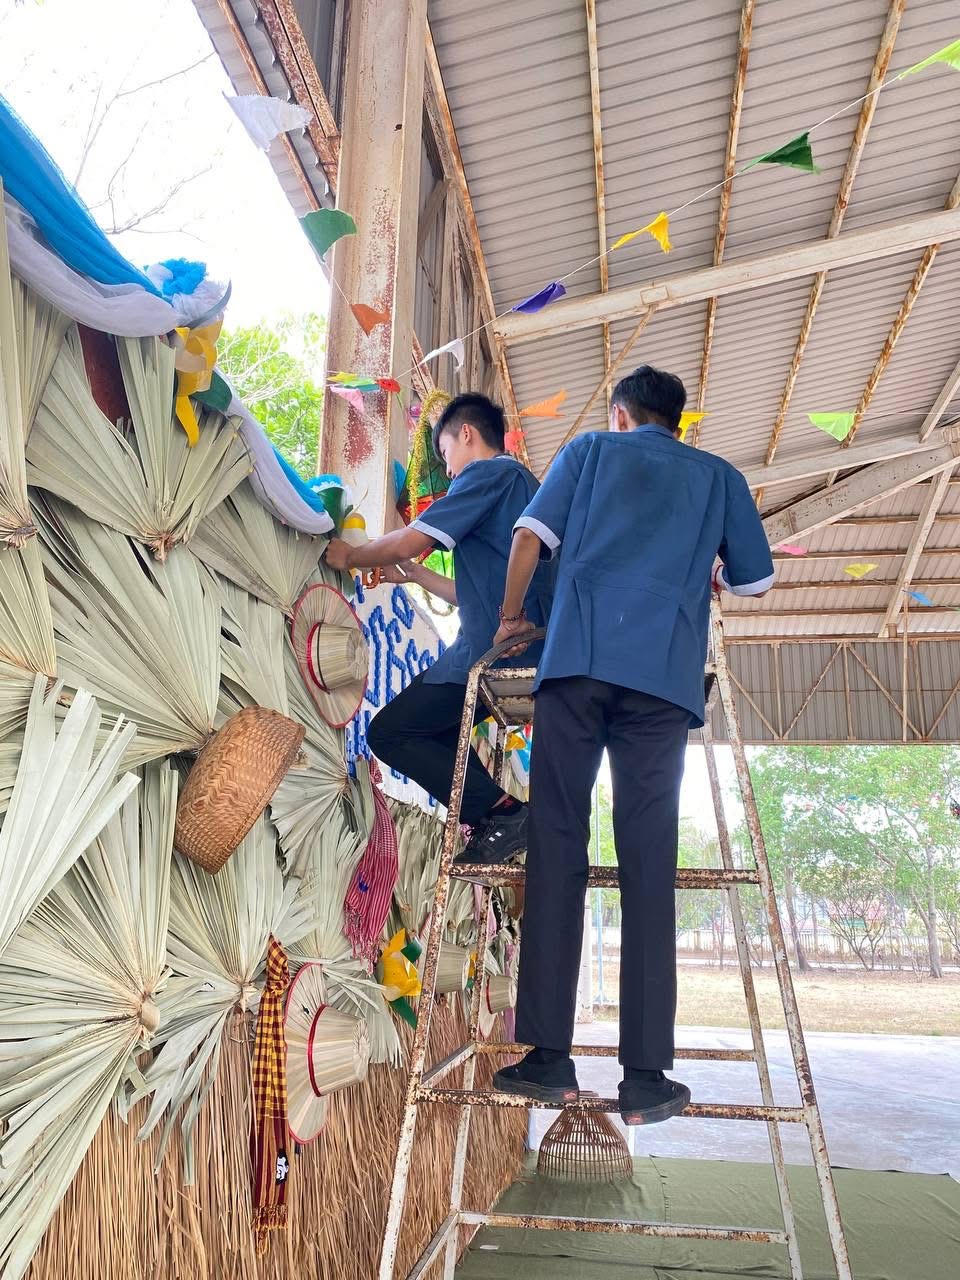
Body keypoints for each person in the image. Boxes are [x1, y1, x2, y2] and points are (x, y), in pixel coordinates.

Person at [488, 364, 774, 1121]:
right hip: (662, 682)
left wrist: (512, 617)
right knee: (649, 862)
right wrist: (707, 562)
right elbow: (753, 583)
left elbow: (529, 537)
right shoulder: (718, 476)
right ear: (676, 422)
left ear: (620, 416)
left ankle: (548, 1059)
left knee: (557, 843)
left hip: (576, 666)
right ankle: (645, 1077)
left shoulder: (588, 451)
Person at [324, 392, 553, 861]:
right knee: (438, 735)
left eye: (445, 453)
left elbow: (409, 541)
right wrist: (414, 576)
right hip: (528, 646)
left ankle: (504, 812)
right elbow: (472, 594)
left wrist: (351, 555)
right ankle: (498, 815)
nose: (448, 470)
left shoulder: (488, 475)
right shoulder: (525, 485)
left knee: (389, 733)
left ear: (466, 434)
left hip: (496, 652)